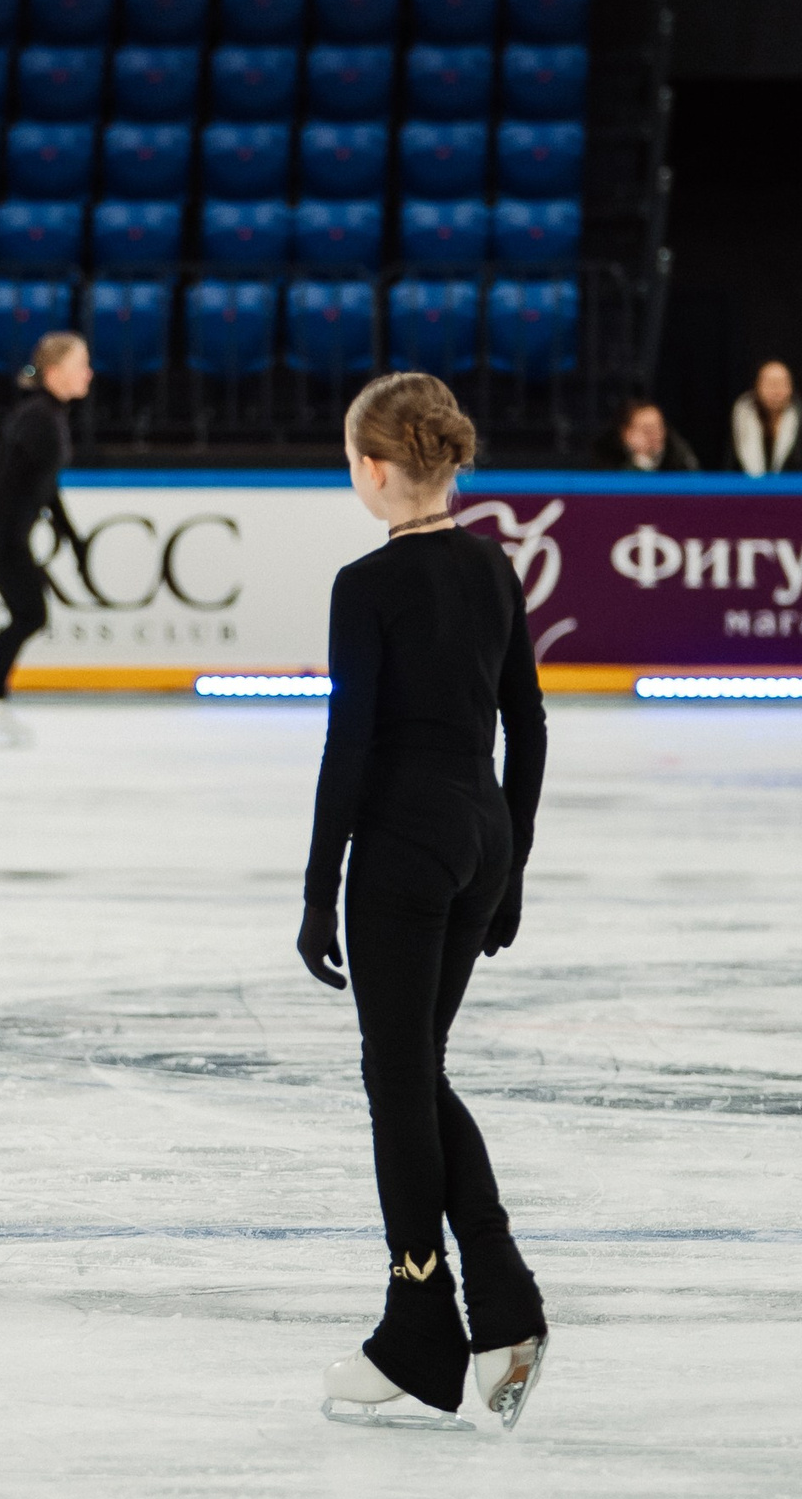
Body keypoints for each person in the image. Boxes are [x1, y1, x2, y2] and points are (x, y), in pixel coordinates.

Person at [297, 372, 551, 1431]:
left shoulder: (365, 585)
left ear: (372, 468)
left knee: (395, 1082)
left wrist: (319, 888)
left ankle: (424, 1318)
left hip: (402, 844)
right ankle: (494, 1302)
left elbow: (347, 744)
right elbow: (527, 729)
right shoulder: (496, 569)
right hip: (479, 833)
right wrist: (511, 867)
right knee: (413, 1071)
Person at [0, 332, 91, 744]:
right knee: (31, 614)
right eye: (80, 365)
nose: (89, 374)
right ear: (55, 372)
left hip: (4, 533)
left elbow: (44, 485)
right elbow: (12, 484)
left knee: (27, 613)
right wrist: (12, 541)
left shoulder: (47, 414)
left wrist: (71, 536)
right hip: (1, 534)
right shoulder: (39, 418)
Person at [730, 360, 802, 475]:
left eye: (781, 383)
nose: (775, 391)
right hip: (749, 491)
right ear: (757, 386)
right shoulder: (742, 418)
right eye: (770, 383)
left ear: (790, 387)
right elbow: (730, 467)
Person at [592, 399, 700, 473]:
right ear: (626, 434)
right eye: (647, 429)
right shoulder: (606, 462)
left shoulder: (679, 459)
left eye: (658, 428)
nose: (655, 435)